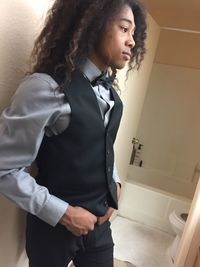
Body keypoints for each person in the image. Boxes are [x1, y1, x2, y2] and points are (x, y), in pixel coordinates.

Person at [0, 0, 147, 266]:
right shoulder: (44, 88)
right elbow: (4, 169)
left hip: (100, 226)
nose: (132, 42)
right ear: (95, 24)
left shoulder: (110, 94)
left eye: (134, 33)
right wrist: (64, 213)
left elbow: (101, 146)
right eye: (124, 29)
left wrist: (115, 187)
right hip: (52, 230)